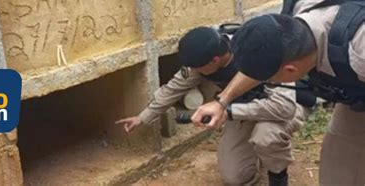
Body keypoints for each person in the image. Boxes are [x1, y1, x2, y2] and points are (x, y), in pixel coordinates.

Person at [191, 0, 365, 185]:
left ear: (291, 69)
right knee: (337, 173)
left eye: (269, 79)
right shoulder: (293, 15)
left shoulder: (359, 52)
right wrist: (222, 102)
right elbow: (263, 64)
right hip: (356, 91)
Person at [116, 26, 312, 186]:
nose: (193, 70)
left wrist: (228, 111)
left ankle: (278, 175)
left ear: (215, 59)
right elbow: (173, 88)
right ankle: (257, 153)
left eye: (197, 67)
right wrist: (143, 117)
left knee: (266, 137)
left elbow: (284, 107)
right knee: (234, 177)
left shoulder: (259, 51)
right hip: (243, 110)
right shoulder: (204, 60)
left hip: (287, 106)